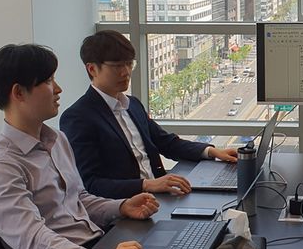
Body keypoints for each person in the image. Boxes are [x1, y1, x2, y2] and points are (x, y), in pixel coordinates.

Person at [0, 43, 159, 249]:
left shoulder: (56, 140)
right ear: (18, 93)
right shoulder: (0, 167)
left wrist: (121, 207)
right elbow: (34, 242)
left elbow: (78, 200)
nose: (58, 89)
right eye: (49, 81)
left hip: (92, 246)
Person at [61, 30, 238, 199]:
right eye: (117, 66)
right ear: (92, 69)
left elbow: (166, 143)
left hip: (160, 197)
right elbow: (91, 184)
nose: (126, 72)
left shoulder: (133, 105)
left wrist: (212, 152)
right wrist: (146, 185)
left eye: (129, 64)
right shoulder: (78, 118)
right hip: (125, 208)